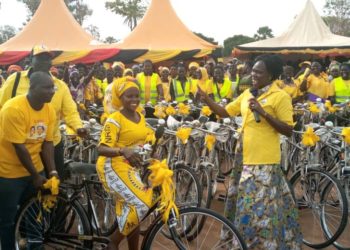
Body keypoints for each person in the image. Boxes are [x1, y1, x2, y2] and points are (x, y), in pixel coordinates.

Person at [198, 54, 302, 249]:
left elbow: (288, 130)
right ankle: (238, 242)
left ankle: (261, 245)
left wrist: (263, 112)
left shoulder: (281, 97)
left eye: (259, 72)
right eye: (253, 70)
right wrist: (206, 99)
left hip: (264, 160)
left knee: (257, 208)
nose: (253, 74)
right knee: (242, 203)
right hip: (242, 157)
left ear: (271, 75)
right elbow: (225, 111)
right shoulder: (247, 94)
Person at [0, 45, 86, 180]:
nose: (45, 62)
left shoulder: (60, 86)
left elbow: (70, 112)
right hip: (19, 144)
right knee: (23, 183)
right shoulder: (15, 80)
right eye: (40, 58)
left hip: (50, 143)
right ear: (30, 59)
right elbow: (2, 105)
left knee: (54, 183)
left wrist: (78, 127)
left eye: (48, 59)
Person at [0, 71, 58, 249]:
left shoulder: (49, 109)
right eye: (47, 88)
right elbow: (20, 147)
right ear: (32, 88)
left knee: (35, 214)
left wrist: (52, 173)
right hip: (9, 173)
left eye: (53, 87)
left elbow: (47, 144)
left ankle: (35, 246)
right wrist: (35, 175)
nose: (52, 91)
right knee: (7, 219)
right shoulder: (13, 109)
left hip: (35, 169)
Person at [96, 80, 155, 250]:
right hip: (111, 166)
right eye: (129, 96)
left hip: (130, 168)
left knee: (133, 213)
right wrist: (123, 150)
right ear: (120, 98)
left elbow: (143, 143)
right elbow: (100, 148)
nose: (134, 99)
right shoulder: (114, 119)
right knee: (140, 204)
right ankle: (113, 242)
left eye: (137, 95)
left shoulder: (141, 117)